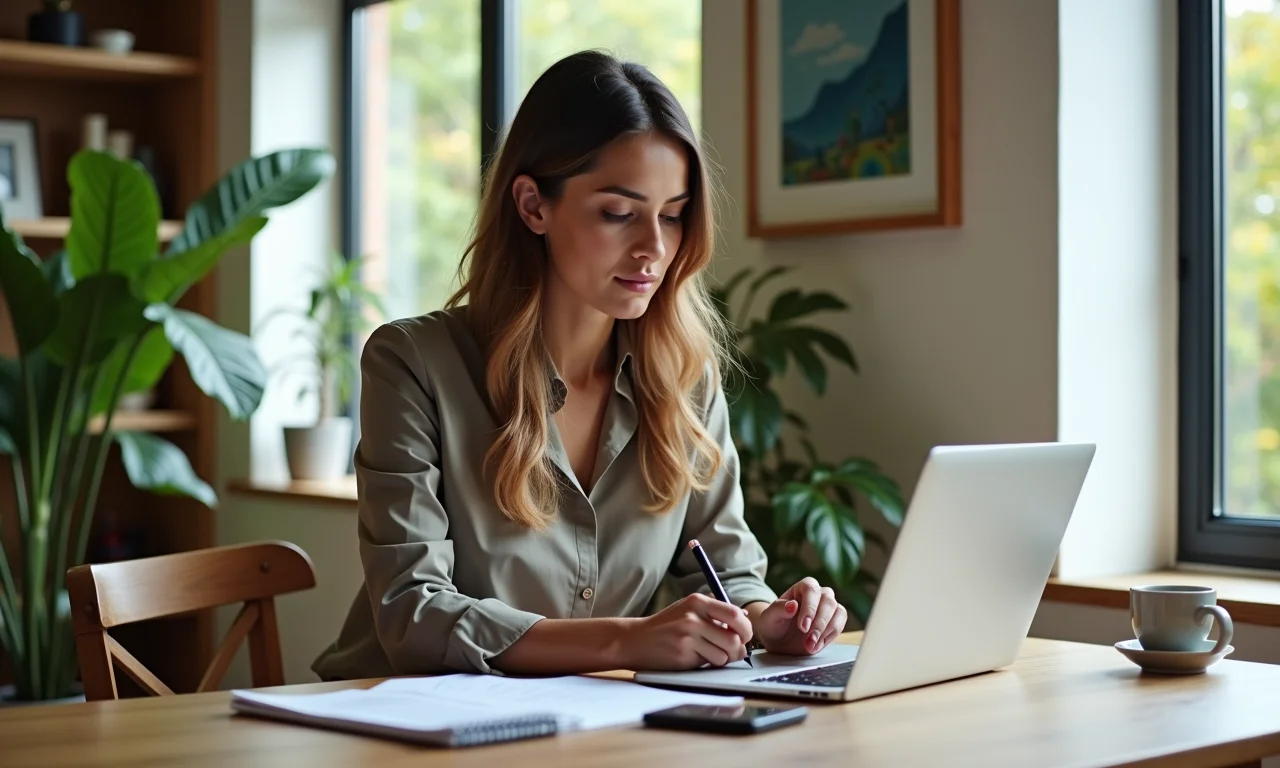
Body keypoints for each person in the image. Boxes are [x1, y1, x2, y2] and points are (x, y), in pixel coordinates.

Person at [311, 50, 846, 681]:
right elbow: (413, 615)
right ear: (533, 205)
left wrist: (766, 618)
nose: (654, 248)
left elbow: (729, 570)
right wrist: (625, 643)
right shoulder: (412, 365)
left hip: (592, 730)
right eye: (618, 213)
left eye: (672, 216)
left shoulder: (683, 380)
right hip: (392, 727)